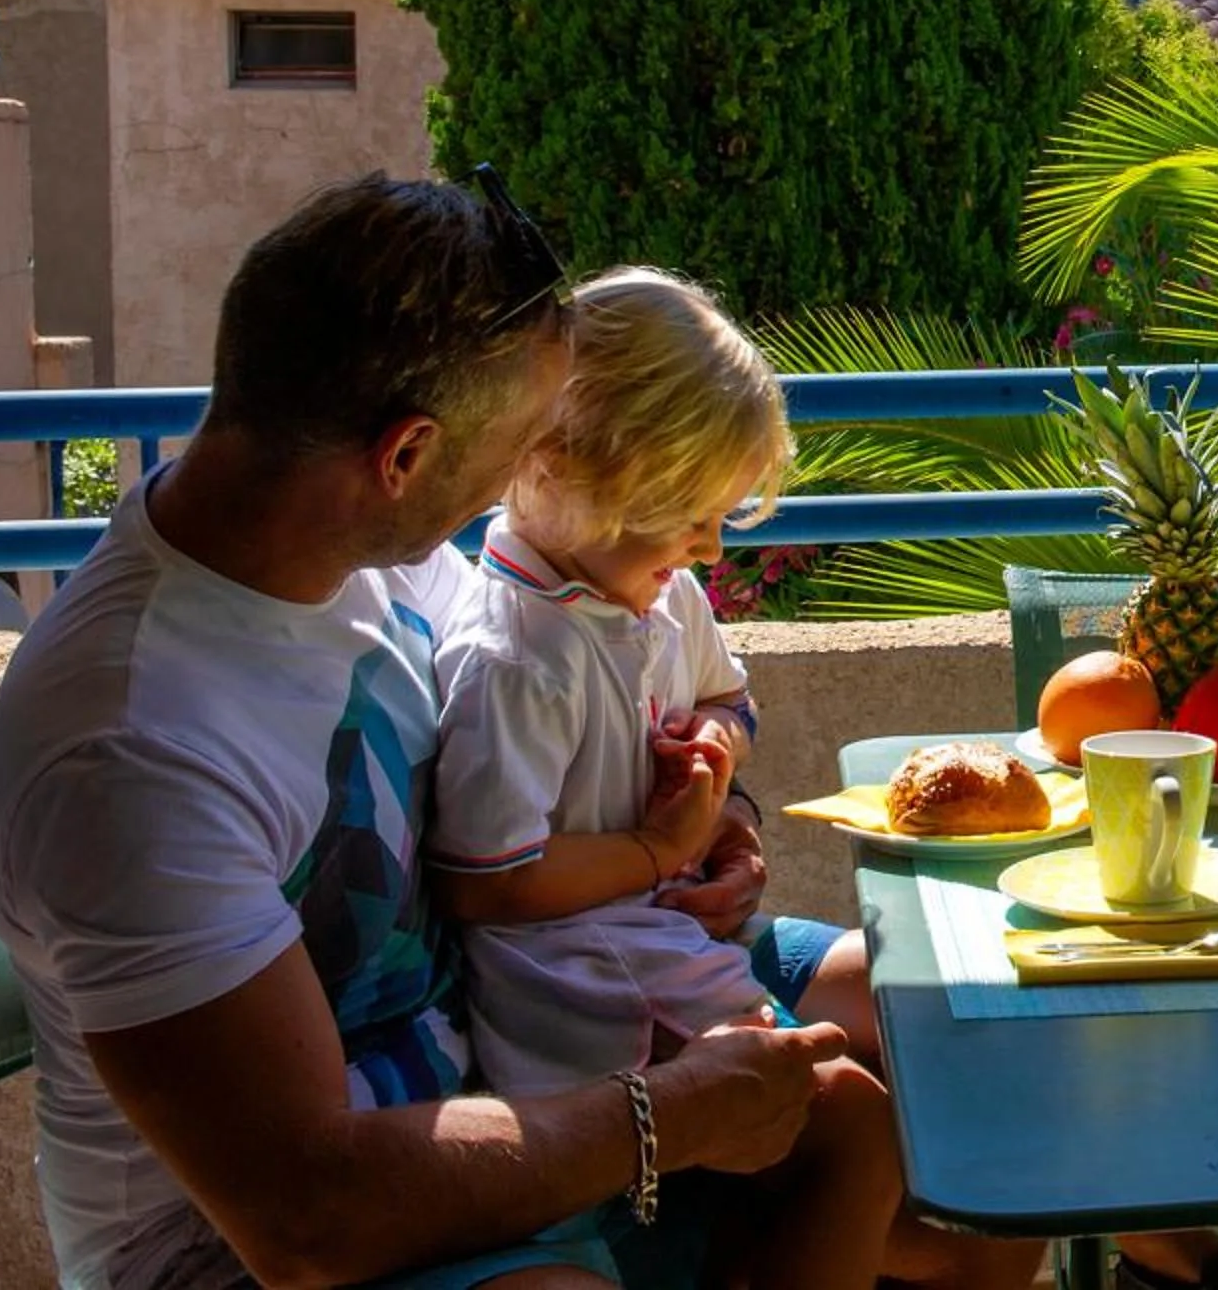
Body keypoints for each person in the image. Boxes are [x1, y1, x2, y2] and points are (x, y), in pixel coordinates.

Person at [0, 174, 842, 1290]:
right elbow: (304, 1216)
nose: (537, 469)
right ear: (404, 457)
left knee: (880, 1127)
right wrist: (665, 1117)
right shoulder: (135, 751)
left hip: (489, 1048)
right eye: (526, 440)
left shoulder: (381, 560)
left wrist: (718, 817)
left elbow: (572, 759)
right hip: (233, 1245)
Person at [427, 265, 1039, 1289]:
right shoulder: (516, 658)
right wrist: (656, 848)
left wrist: (722, 785)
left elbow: (727, 700)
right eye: (683, 514)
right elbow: (488, 879)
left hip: (672, 927)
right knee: (850, 1111)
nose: (710, 545)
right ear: (573, 470)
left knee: (957, 1026)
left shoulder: (656, 589)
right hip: (585, 988)